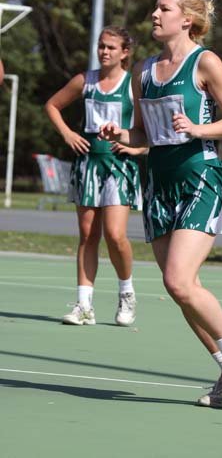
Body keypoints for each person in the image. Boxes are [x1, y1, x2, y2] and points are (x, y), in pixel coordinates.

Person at [99, 0, 222, 408]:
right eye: (155, 8)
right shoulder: (143, 71)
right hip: (159, 184)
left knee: (179, 279)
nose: (154, 15)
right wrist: (121, 134)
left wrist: (199, 129)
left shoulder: (205, 62)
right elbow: (144, 134)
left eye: (164, 8)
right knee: (179, 287)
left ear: (188, 19)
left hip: (200, 177)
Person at [45, 26, 146, 326]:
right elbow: (52, 105)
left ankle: (127, 292)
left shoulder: (133, 85)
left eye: (111, 47)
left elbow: (150, 127)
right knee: (88, 235)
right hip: (88, 164)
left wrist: (139, 150)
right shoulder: (85, 81)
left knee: (115, 235)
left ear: (124, 53)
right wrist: (67, 133)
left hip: (119, 165)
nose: (104, 52)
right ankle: (83, 305)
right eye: (101, 46)